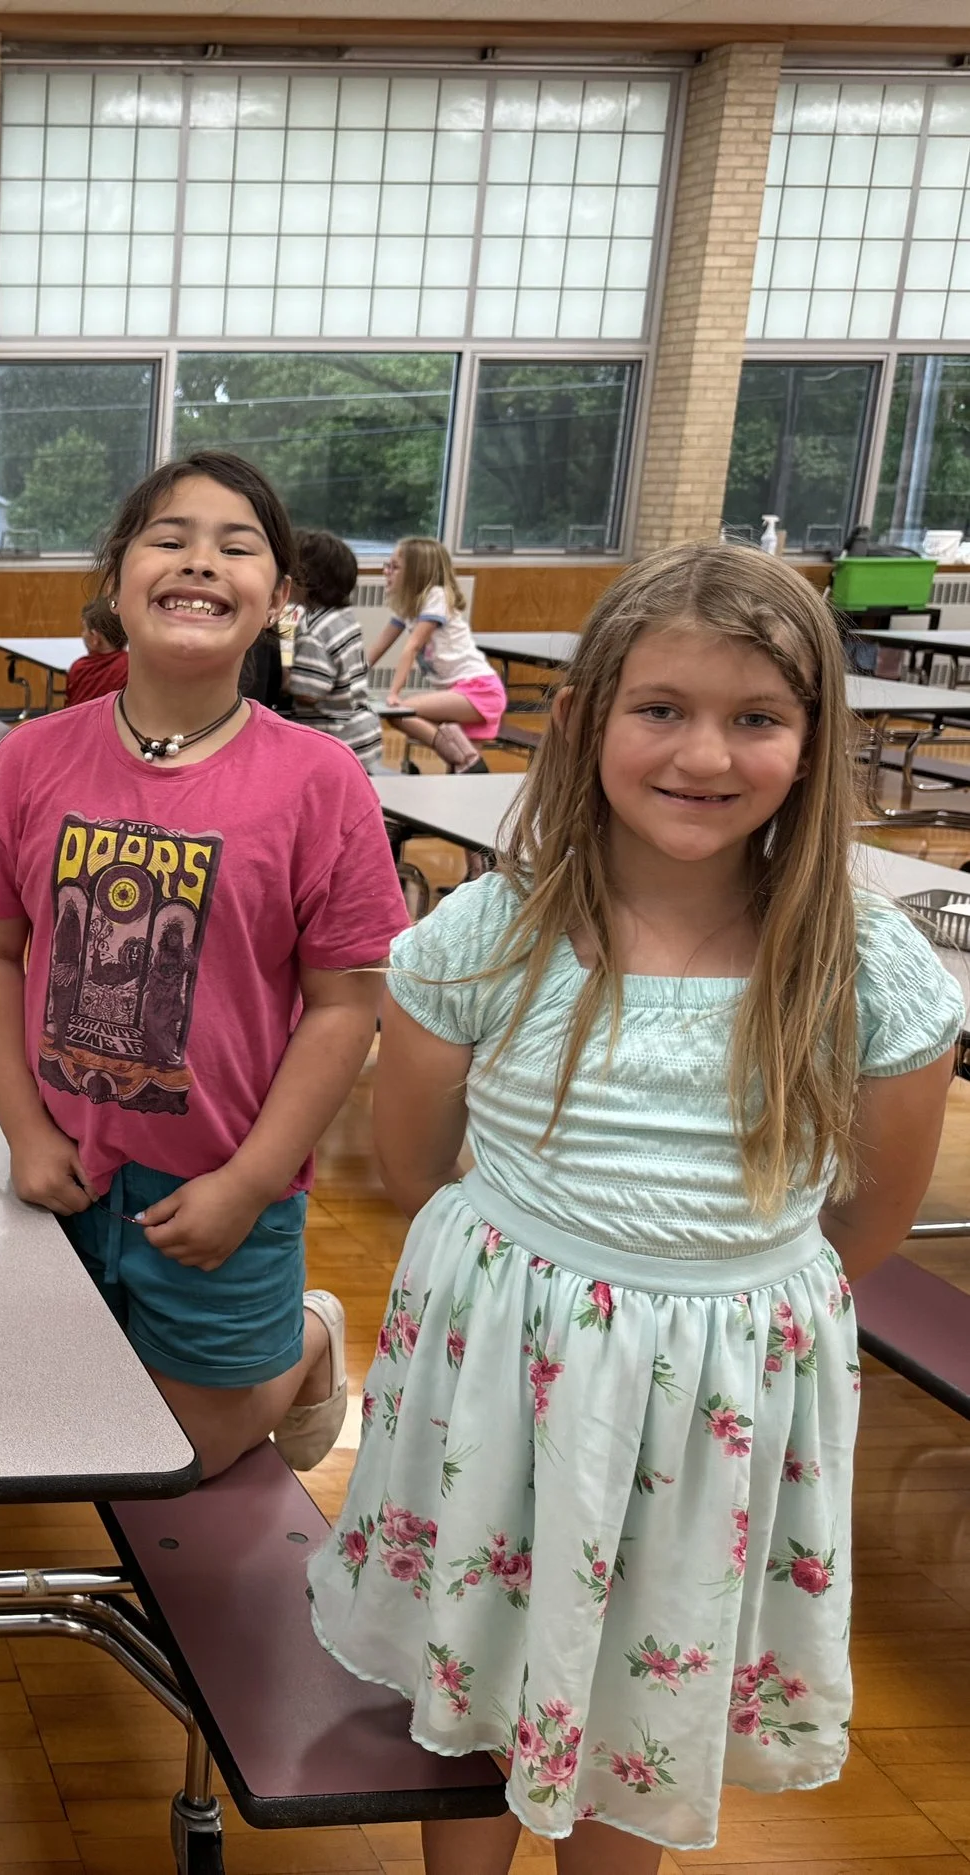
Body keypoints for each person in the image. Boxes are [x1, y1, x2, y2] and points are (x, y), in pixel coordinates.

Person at [309, 545, 960, 1867]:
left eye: (757, 717)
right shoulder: (487, 934)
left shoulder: (866, 962)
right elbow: (415, 1160)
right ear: (594, 711)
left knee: (636, 1696)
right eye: (662, 707)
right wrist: (566, 1280)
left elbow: (869, 1223)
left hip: (717, 1381)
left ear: (811, 738)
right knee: (484, 1664)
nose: (705, 753)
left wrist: (704, 1300)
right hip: (507, 1353)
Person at [0, 450, 409, 1480]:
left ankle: (310, 1338)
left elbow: (342, 1006)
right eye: (169, 538)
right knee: (50, 1417)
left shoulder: (319, 783)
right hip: (61, 1165)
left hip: (219, 1186)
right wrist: (21, 1128)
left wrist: (246, 1181)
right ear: (114, 579)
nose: (200, 561)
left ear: (277, 598)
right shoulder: (28, 760)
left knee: (184, 1459)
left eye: (235, 547)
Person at [373, 538, 503, 774]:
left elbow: (412, 646)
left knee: (400, 713)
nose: (386, 571)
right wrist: (351, 674)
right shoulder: (410, 607)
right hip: (457, 692)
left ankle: (467, 760)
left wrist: (394, 693)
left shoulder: (436, 595)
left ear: (415, 572)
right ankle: (467, 762)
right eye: (387, 565)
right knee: (461, 772)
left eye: (394, 567)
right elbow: (381, 645)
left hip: (479, 689)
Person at [286, 528, 387, 773]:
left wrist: (286, 671)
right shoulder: (343, 617)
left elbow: (309, 692)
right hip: (365, 730)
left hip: (338, 743)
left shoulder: (312, 631)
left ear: (303, 580)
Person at [64, 594, 127, 708]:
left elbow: (70, 709)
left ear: (95, 637)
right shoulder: (131, 665)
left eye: (84, 629)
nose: (82, 634)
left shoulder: (79, 668)